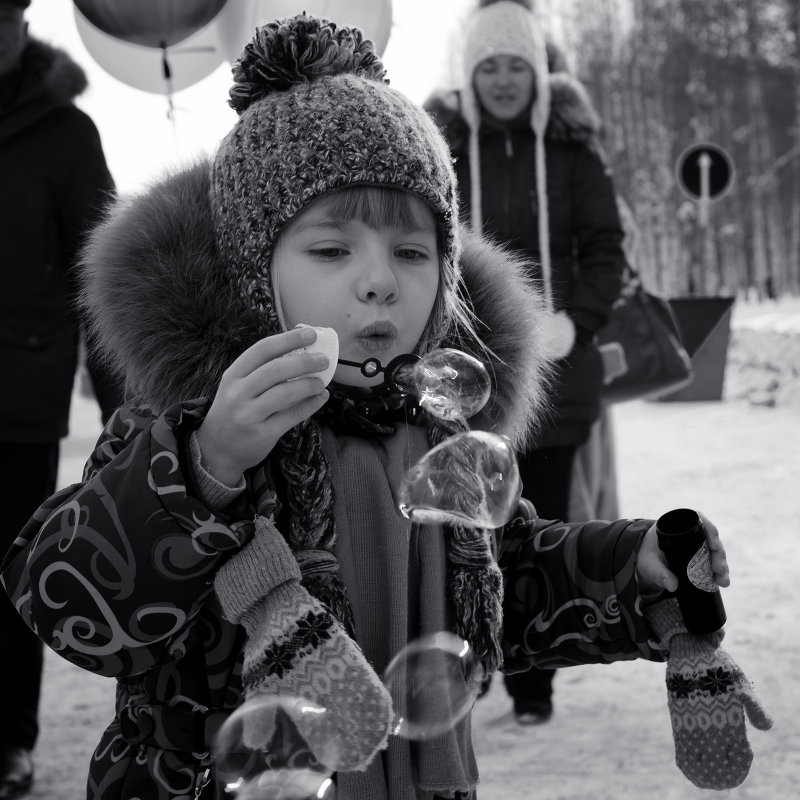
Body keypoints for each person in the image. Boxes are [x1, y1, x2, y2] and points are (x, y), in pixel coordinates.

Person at [1, 13, 765, 800]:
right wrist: (205, 470)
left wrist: (632, 566)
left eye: (411, 252)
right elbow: (62, 599)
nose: (380, 281)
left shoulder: (436, 432)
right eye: (331, 251)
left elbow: (508, 583)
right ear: (247, 268)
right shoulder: (194, 424)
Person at [424, 0, 627, 725]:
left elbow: (607, 249)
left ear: (539, 75)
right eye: (490, 66)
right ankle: (463, 666)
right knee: (462, 535)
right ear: (470, 76)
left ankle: (532, 683)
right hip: (459, 378)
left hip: (558, 378)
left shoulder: (574, 154)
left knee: (537, 532)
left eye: (517, 65)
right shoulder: (436, 147)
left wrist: (576, 323)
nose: (504, 80)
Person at [0, 0, 123, 796]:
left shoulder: (65, 133)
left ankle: (6, 740)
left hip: (18, 398)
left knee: (8, 579)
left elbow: (103, 280)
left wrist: (128, 415)